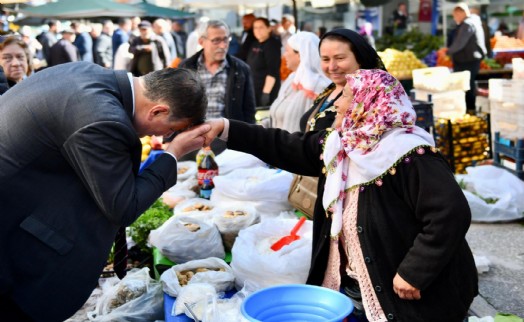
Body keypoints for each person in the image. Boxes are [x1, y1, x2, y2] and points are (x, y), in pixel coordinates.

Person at [204, 68, 478, 322]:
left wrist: (415, 272)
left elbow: (450, 214)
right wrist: (227, 129)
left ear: (367, 104)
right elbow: (285, 145)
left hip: (419, 296)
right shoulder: (343, 145)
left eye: (346, 96)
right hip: (367, 284)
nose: (336, 104)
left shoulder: (410, 155)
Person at [0, 62, 211, 322]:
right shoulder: (102, 119)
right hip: (14, 246)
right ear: (158, 110)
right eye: (171, 130)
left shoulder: (89, 74)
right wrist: (174, 152)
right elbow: (124, 207)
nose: (166, 136)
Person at [178, 19, 256, 156]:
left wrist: (249, 142)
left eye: (226, 40)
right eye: (216, 40)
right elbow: (175, 105)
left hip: (227, 142)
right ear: (201, 42)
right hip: (191, 140)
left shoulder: (241, 69)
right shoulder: (186, 68)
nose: (223, 45)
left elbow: (249, 110)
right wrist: (169, 138)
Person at [299, 28, 386, 133]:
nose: (332, 67)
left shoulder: (370, 97)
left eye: (340, 58)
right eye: (326, 59)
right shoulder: (329, 89)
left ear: (360, 59)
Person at [265, 31, 330, 132]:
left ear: (300, 55)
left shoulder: (317, 87)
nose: (284, 55)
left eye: (287, 51)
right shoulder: (292, 79)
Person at [447, 2, 487, 114]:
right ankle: (470, 111)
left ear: (462, 13)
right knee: (467, 86)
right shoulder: (469, 23)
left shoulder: (468, 24)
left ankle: (470, 111)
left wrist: (448, 52)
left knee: (467, 87)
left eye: (455, 14)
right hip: (468, 60)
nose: (455, 17)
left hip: (468, 61)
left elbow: (460, 43)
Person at [247, 17, 282, 107]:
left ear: (269, 28)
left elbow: (272, 71)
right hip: (254, 89)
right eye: (255, 28)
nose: (258, 30)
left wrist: (265, 94)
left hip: (266, 91)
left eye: (261, 27)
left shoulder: (272, 45)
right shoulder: (255, 43)